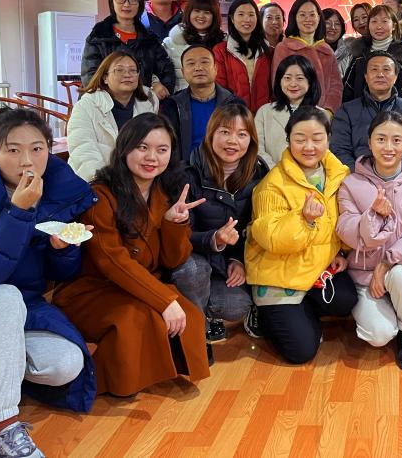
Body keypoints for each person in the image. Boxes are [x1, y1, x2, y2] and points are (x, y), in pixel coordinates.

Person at [0, 108, 98, 457]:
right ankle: (2, 431)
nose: (27, 160)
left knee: (65, 364)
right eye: (13, 150)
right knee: (3, 296)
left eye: (37, 148)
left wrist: (62, 251)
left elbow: (62, 275)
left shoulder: (58, 189)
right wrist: (18, 212)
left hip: (23, 310)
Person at [53, 113, 211, 397]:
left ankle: (157, 366)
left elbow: (173, 261)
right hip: (93, 291)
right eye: (142, 147)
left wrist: (174, 225)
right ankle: (99, 382)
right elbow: (113, 262)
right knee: (135, 318)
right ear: (125, 148)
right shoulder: (100, 195)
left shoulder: (164, 192)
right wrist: (164, 300)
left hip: (137, 286)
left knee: (190, 315)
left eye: (162, 150)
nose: (152, 157)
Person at [245, 106, 358, 364]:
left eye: (317, 138)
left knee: (346, 299)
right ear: (288, 140)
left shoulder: (339, 175)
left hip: (314, 268)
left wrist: (340, 251)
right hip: (278, 275)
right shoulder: (273, 183)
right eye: (300, 139)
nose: (309, 146)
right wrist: (303, 220)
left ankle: (301, 312)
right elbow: (272, 238)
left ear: (328, 139)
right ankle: (263, 316)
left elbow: (342, 222)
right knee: (301, 352)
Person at [336, 111, 402, 369]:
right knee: (379, 335)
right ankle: (391, 314)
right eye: (381, 139)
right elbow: (346, 230)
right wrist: (373, 216)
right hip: (364, 275)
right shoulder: (350, 184)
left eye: (396, 140)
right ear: (369, 142)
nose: (388, 147)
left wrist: (386, 264)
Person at [169, 103, 269, 344]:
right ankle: (196, 327)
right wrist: (215, 239)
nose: (232, 141)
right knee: (193, 269)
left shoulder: (259, 174)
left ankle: (206, 308)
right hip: (195, 257)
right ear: (211, 133)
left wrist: (237, 259)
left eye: (242, 134)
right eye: (225, 132)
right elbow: (183, 235)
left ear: (251, 140)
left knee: (236, 305)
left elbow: (254, 227)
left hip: (226, 263)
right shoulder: (188, 174)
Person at [68, 50, 160, 182]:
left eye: (132, 70)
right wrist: (103, 183)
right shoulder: (86, 106)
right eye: (119, 70)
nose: (127, 74)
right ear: (105, 77)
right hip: (97, 182)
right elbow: (82, 150)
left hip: (138, 181)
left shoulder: (148, 104)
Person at [81, 0, 176, 98]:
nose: (126, 4)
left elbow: (167, 71)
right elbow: (90, 77)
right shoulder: (98, 36)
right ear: (112, 1)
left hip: (143, 103)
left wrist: (159, 90)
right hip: (104, 104)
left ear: (139, 3)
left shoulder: (149, 39)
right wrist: (119, 101)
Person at [331, 52, 402, 172]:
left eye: (386, 69)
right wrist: (360, 175)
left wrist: (394, 176)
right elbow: (340, 150)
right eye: (374, 69)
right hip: (358, 176)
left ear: (395, 77)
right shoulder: (346, 111)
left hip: (400, 177)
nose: (380, 74)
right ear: (366, 76)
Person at [159, 45, 243, 158]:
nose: (198, 68)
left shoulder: (235, 105)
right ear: (183, 72)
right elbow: (165, 146)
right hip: (184, 167)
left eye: (204, 62)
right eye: (191, 63)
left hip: (226, 166)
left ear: (216, 69)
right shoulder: (172, 106)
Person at [255, 54, 329, 169]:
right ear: (279, 81)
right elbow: (257, 148)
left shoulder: (322, 115)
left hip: (309, 176)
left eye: (299, 78)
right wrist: (276, 172)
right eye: (287, 78)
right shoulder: (264, 112)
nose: (293, 84)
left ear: (310, 81)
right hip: (271, 174)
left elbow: (325, 152)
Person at [272, 0, 343, 112]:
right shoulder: (284, 48)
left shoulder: (327, 50)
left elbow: (336, 86)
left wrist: (329, 111)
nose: (308, 19)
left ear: (319, 17)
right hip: (291, 114)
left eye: (312, 15)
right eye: (302, 15)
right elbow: (277, 83)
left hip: (322, 116)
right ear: (294, 17)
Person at [342, 4, 402, 105]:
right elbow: (347, 88)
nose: (379, 26)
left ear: (394, 26)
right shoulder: (360, 53)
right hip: (360, 112)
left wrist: (392, 110)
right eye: (374, 21)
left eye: (384, 21)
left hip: (393, 113)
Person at [213, 0, 273, 114]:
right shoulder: (221, 51)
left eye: (251, 15)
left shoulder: (268, 51)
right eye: (241, 14)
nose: (247, 19)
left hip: (264, 115)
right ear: (232, 19)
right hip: (233, 115)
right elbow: (220, 89)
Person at [162, 0, 225, 92]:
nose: (201, 16)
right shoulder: (170, 43)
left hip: (217, 97)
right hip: (180, 97)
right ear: (189, 13)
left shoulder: (223, 43)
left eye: (207, 12)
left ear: (214, 16)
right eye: (197, 11)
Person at [322, 8, 350, 80]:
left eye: (337, 24)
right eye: (327, 23)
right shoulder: (309, 51)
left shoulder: (349, 53)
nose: (333, 27)